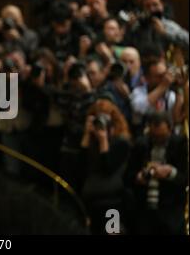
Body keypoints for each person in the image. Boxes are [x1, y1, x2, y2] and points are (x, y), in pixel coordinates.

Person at [125, 112, 188, 234]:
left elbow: (185, 178)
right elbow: (127, 177)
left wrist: (171, 173)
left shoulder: (180, 144)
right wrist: (138, 177)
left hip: (171, 209)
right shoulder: (141, 144)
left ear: (170, 130)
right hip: (145, 210)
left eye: (162, 137)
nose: (158, 140)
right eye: (154, 137)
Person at [80, 99, 131, 234]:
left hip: (112, 202)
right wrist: (86, 135)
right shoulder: (91, 142)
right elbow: (79, 167)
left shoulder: (121, 143)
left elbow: (108, 168)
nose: (100, 125)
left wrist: (103, 140)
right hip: (90, 202)